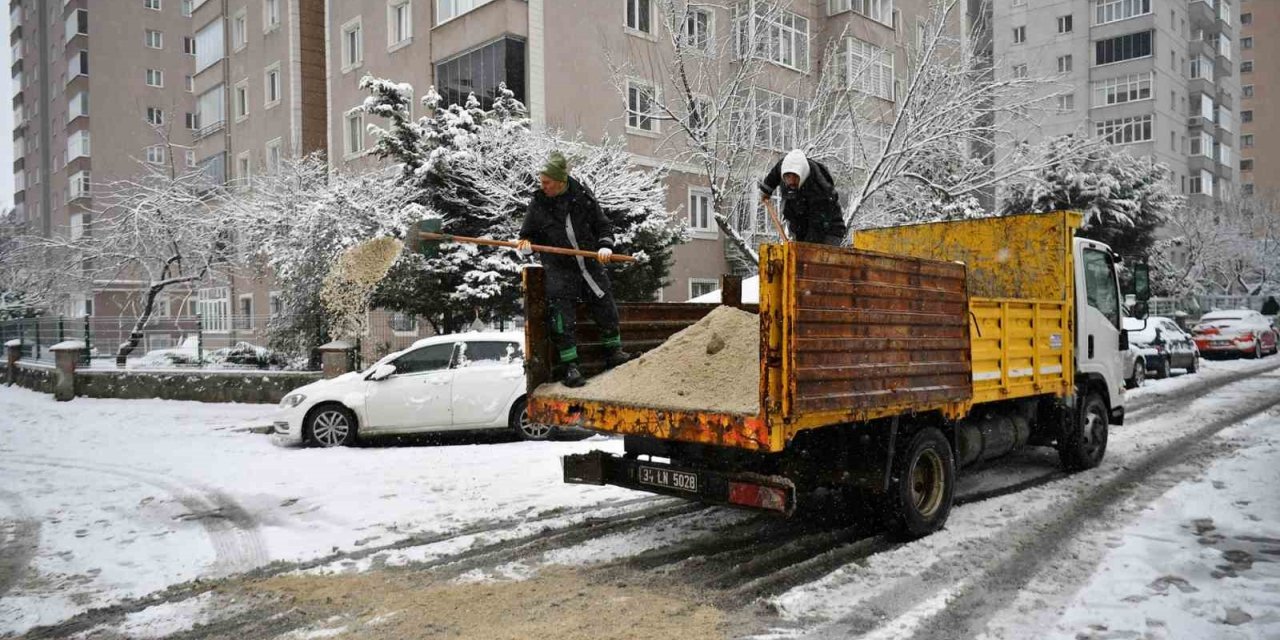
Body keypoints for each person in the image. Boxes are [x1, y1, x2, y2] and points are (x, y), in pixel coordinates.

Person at [518, 151, 631, 388]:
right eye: (542, 182)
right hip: (559, 268)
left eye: (547, 182)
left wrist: (605, 246)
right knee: (561, 316)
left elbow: (603, 226)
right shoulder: (539, 203)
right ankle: (570, 366)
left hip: (589, 263)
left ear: (561, 181)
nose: (543, 186)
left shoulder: (582, 198)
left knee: (604, 302)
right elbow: (526, 235)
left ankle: (614, 353)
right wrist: (526, 245)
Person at [758, 149, 847, 245]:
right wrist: (765, 190)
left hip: (829, 229)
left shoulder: (818, 189)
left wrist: (805, 248)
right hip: (800, 222)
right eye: (787, 177)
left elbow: (817, 225)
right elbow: (774, 174)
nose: (791, 182)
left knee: (815, 255)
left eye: (795, 177)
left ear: (802, 174)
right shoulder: (785, 166)